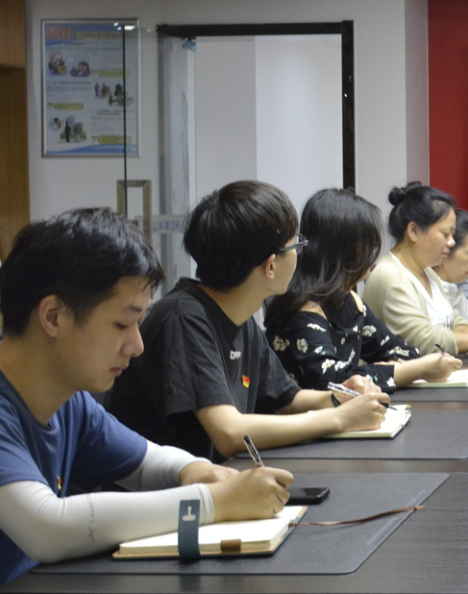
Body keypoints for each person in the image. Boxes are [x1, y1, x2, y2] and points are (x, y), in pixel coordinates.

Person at [0, 208, 291, 583]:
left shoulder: (69, 403)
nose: (136, 345)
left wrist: (196, 471)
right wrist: (214, 501)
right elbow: (48, 529)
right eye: (122, 323)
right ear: (54, 316)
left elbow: (147, 463)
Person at [109, 181, 388, 461]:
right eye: (296, 245)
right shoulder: (183, 318)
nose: (299, 254)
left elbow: (288, 399)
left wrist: (340, 396)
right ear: (271, 266)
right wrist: (339, 419)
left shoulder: (238, 315)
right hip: (175, 485)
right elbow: (229, 433)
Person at [264, 189, 462, 392]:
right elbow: (337, 382)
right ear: (341, 247)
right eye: (368, 244)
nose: (374, 253)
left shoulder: (349, 300)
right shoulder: (302, 311)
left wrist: (377, 372)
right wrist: (412, 370)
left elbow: (404, 351)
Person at [362, 183, 468, 354]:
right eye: (445, 234)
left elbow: (457, 323)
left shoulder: (427, 272)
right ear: (413, 231)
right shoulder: (391, 276)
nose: (451, 242)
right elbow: (425, 340)